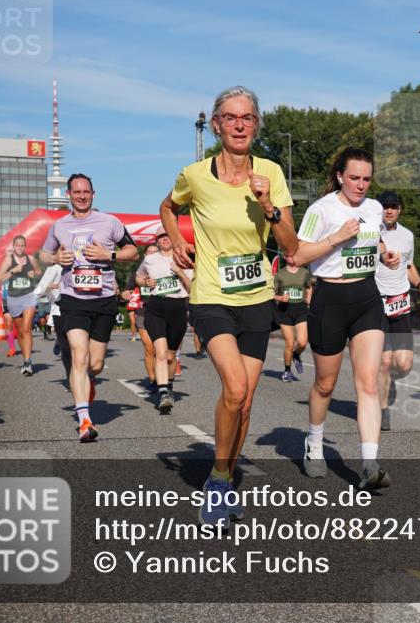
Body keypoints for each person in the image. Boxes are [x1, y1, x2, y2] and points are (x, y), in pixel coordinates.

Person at [160, 86, 297, 525]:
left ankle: (225, 474)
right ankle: (218, 482)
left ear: (256, 125)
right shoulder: (195, 175)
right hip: (212, 296)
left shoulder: (272, 173)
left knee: (247, 400)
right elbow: (168, 206)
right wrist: (178, 238)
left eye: (248, 118)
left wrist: (268, 207)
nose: (239, 125)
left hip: (257, 297)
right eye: (230, 117)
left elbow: (290, 246)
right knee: (235, 389)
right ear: (216, 124)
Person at [294, 148, 400, 490]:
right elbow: (297, 254)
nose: (361, 185)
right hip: (330, 299)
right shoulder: (320, 209)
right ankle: (314, 441)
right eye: (354, 178)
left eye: (367, 179)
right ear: (340, 176)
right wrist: (336, 238)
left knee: (369, 382)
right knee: (325, 384)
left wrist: (386, 255)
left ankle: (369, 464)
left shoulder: (372, 209)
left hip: (367, 298)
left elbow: (376, 239)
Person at [40, 173, 138, 442]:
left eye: (86, 192)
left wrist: (110, 255)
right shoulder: (59, 226)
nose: (82, 196)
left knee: (94, 364)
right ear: (69, 195)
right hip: (73, 300)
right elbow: (43, 254)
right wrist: (55, 257)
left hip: (103, 299)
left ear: (93, 194)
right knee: (79, 355)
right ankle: (84, 420)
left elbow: (133, 251)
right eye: (77, 192)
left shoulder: (110, 222)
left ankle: (89, 382)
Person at [374, 191, 420, 431]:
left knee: (404, 364)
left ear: (399, 209)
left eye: (393, 206)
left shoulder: (408, 236)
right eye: (385, 206)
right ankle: (382, 410)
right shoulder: (370, 232)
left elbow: (409, 267)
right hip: (376, 301)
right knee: (384, 361)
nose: (389, 210)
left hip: (400, 303)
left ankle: (389, 381)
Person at [135, 227, 192, 413]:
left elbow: (192, 289)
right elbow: (138, 277)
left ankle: (169, 388)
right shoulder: (150, 259)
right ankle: (162, 393)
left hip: (178, 309)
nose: (165, 239)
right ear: (156, 240)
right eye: (161, 236)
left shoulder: (184, 258)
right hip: (156, 309)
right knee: (160, 353)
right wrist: (145, 282)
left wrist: (180, 273)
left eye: (168, 235)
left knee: (170, 356)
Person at [0, 235, 40, 375]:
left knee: (26, 329)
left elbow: (39, 272)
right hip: (14, 298)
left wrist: (35, 273)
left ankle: (27, 362)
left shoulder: (31, 259)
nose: (20, 247)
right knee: (20, 332)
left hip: (29, 296)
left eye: (22, 245)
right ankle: (25, 358)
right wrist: (12, 271)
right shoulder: (8, 260)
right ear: (14, 246)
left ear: (25, 246)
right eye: (17, 245)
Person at [122, 243, 158, 389]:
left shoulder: (168, 269)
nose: (153, 254)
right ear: (145, 255)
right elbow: (126, 291)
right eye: (150, 252)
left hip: (164, 312)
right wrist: (125, 293)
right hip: (144, 312)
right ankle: (154, 380)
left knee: (164, 351)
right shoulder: (138, 273)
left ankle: (165, 378)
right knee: (150, 348)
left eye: (156, 252)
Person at [273, 253, 312, 382]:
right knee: (289, 342)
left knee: (302, 342)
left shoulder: (305, 272)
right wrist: (280, 298)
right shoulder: (280, 274)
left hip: (301, 309)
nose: (292, 257)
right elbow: (271, 294)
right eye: (289, 255)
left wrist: (309, 297)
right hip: (285, 311)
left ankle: (296, 355)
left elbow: (309, 286)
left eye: (294, 255)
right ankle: (287, 371)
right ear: (284, 257)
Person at [33, 261, 70, 378]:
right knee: (67, 348)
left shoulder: (84, 264)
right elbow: (38, 291)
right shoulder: (54, 268)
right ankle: (71, 377)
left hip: (81, 309)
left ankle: (85, 376)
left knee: (79, 345)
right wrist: (48, 286)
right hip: (59, 309)